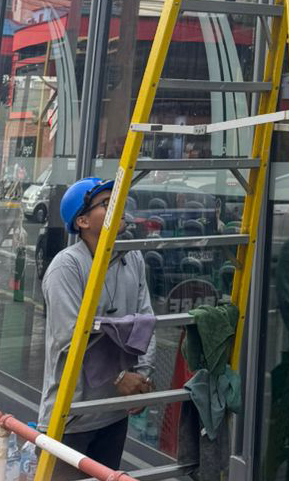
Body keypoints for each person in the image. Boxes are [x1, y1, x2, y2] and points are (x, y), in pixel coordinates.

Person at [39, 177, 156, 481]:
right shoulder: (66, 267)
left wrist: (141, 377)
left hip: (114, 412)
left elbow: (146, 321)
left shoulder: (133, 256)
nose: (118, 207)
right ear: (82, 221)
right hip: (71, 417)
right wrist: (119, 377)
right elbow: (70, 338)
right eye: (105, 203)